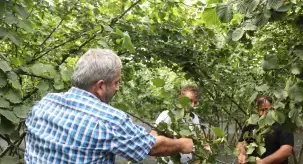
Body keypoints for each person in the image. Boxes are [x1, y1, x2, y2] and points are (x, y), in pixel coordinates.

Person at [24, 49, 193, 164]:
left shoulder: (44, 104)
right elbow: (153, 147)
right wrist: (182, 144)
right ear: (100, 86)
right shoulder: (108, 120)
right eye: (117, 82)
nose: (118, 88)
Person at [151, 85, 201, 164]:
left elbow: (196, 140)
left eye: (195, 102)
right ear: (180, 99)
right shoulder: (167, 115)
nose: (192, 105)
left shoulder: (194, 118)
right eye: (190, 100)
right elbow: (152, 140)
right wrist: (175, 142)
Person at [237, 95, 294, 164]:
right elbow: (241, 142)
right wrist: (242, 154)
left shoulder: (282, 125)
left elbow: (287, 150)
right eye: (259, 110)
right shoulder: (251, 123)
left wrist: (263, 162)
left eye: (265, 109)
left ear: (273, 108)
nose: (262, 113)